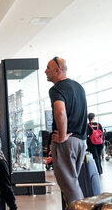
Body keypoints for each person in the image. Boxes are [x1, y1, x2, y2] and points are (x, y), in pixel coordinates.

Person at [45, 56, 87, 206]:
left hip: (66, 142)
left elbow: (60, 112)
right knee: (72, 183)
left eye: (48, 68)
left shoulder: (57, 89)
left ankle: (82, 208)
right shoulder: (78, 87)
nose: (45, 71)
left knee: (70, 188)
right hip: (81, 141)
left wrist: (62, 135)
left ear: (57, 70)